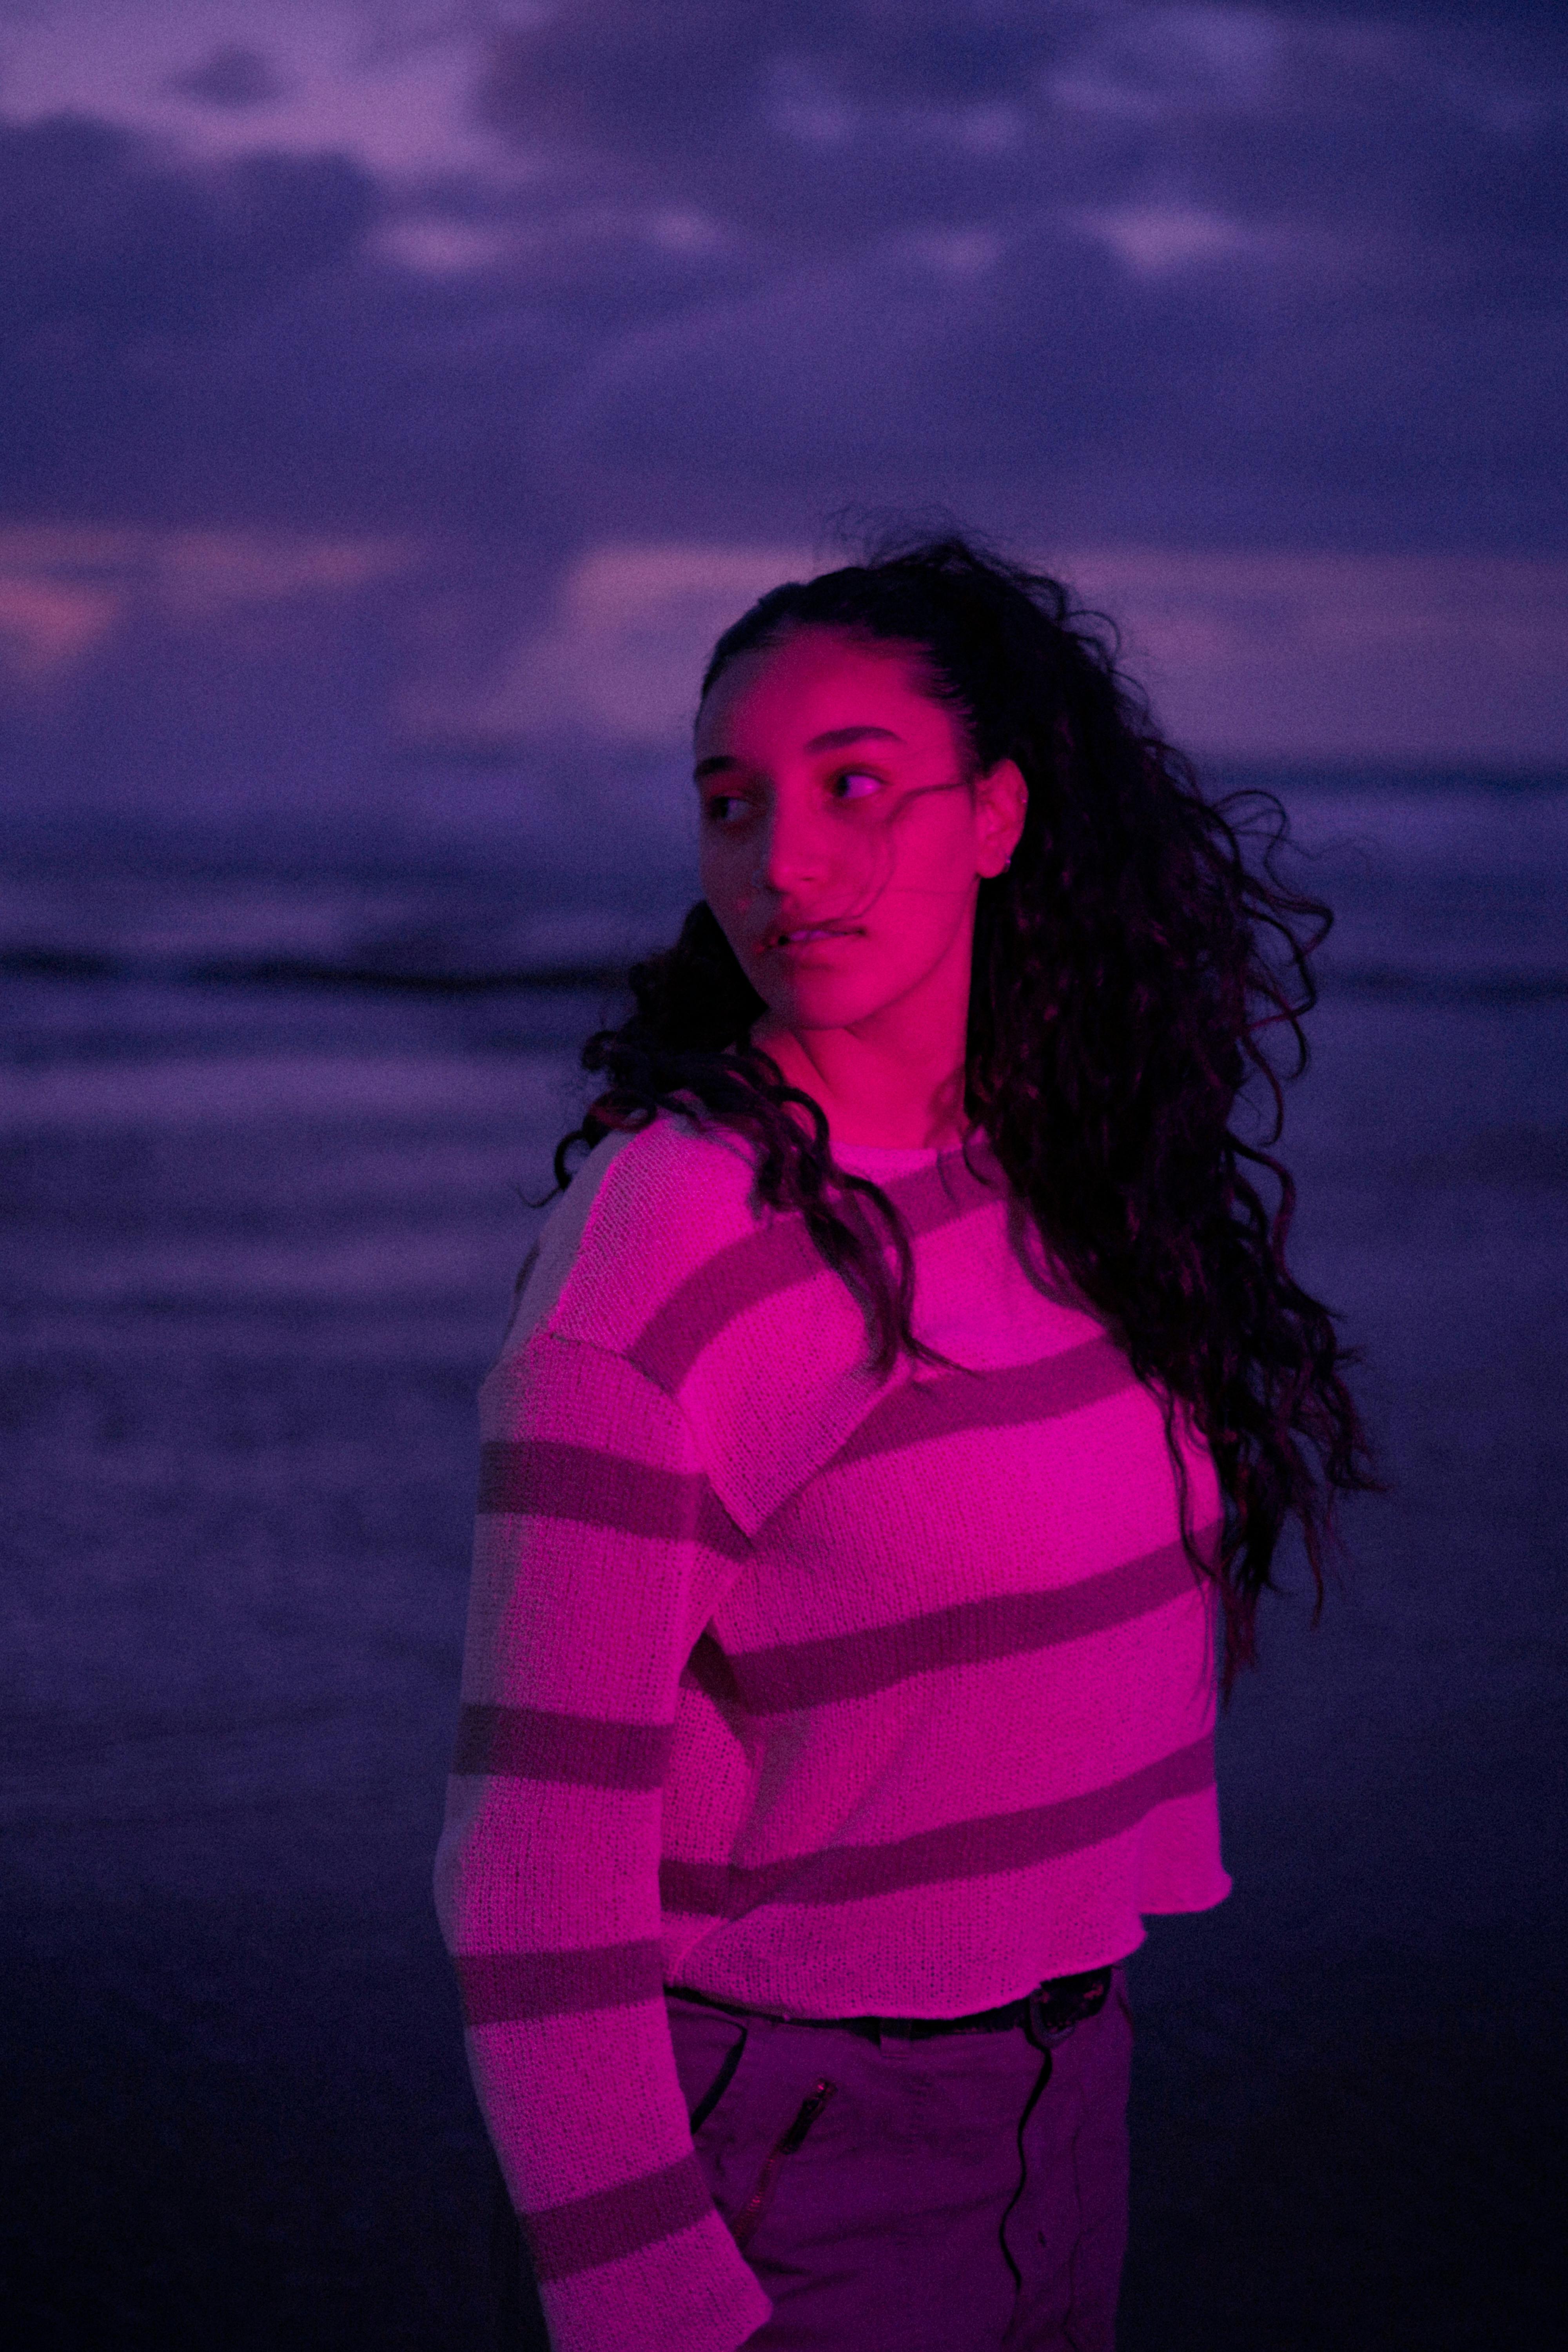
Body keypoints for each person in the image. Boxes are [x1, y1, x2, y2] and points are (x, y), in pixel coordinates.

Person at [433, 534, 1374, 2352]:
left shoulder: (1057, 1169)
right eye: (733, 803)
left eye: (853, 785)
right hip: (782, 2152)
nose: (782, 860)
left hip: (1056, 2092)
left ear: (999, 816)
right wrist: (654, 2305)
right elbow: (528, 1868)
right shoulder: (674, 1250)